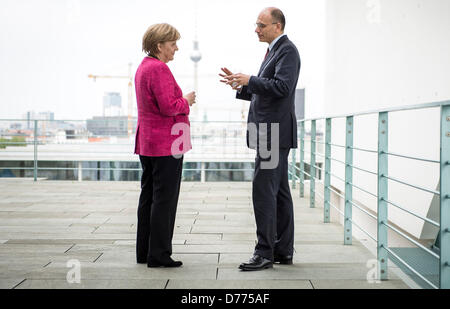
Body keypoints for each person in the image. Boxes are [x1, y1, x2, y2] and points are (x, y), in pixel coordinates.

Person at [220, 7, 301, 271]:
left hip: (272, 132)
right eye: (257, 25)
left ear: (277, 26)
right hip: (268, 131)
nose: (257, 29)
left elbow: (282, 88)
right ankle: (282, 250)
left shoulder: (287, 51)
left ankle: (264, 252)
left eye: (261, 25)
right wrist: (242, 85)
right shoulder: (274, 51)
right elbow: (267, 90)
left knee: (264, 191)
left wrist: (251, 80)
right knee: (278, 192)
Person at [135, 23, 196, 268]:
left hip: (149, 141)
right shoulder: (159, 69)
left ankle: (145, 251)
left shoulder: (143, 68)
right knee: (165, 199)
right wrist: (186, 101)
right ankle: (159, 254)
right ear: (159, 45)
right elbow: (169, 106)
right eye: (173, 44)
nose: (176, 49)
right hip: (167, 143)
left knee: (149, 195)